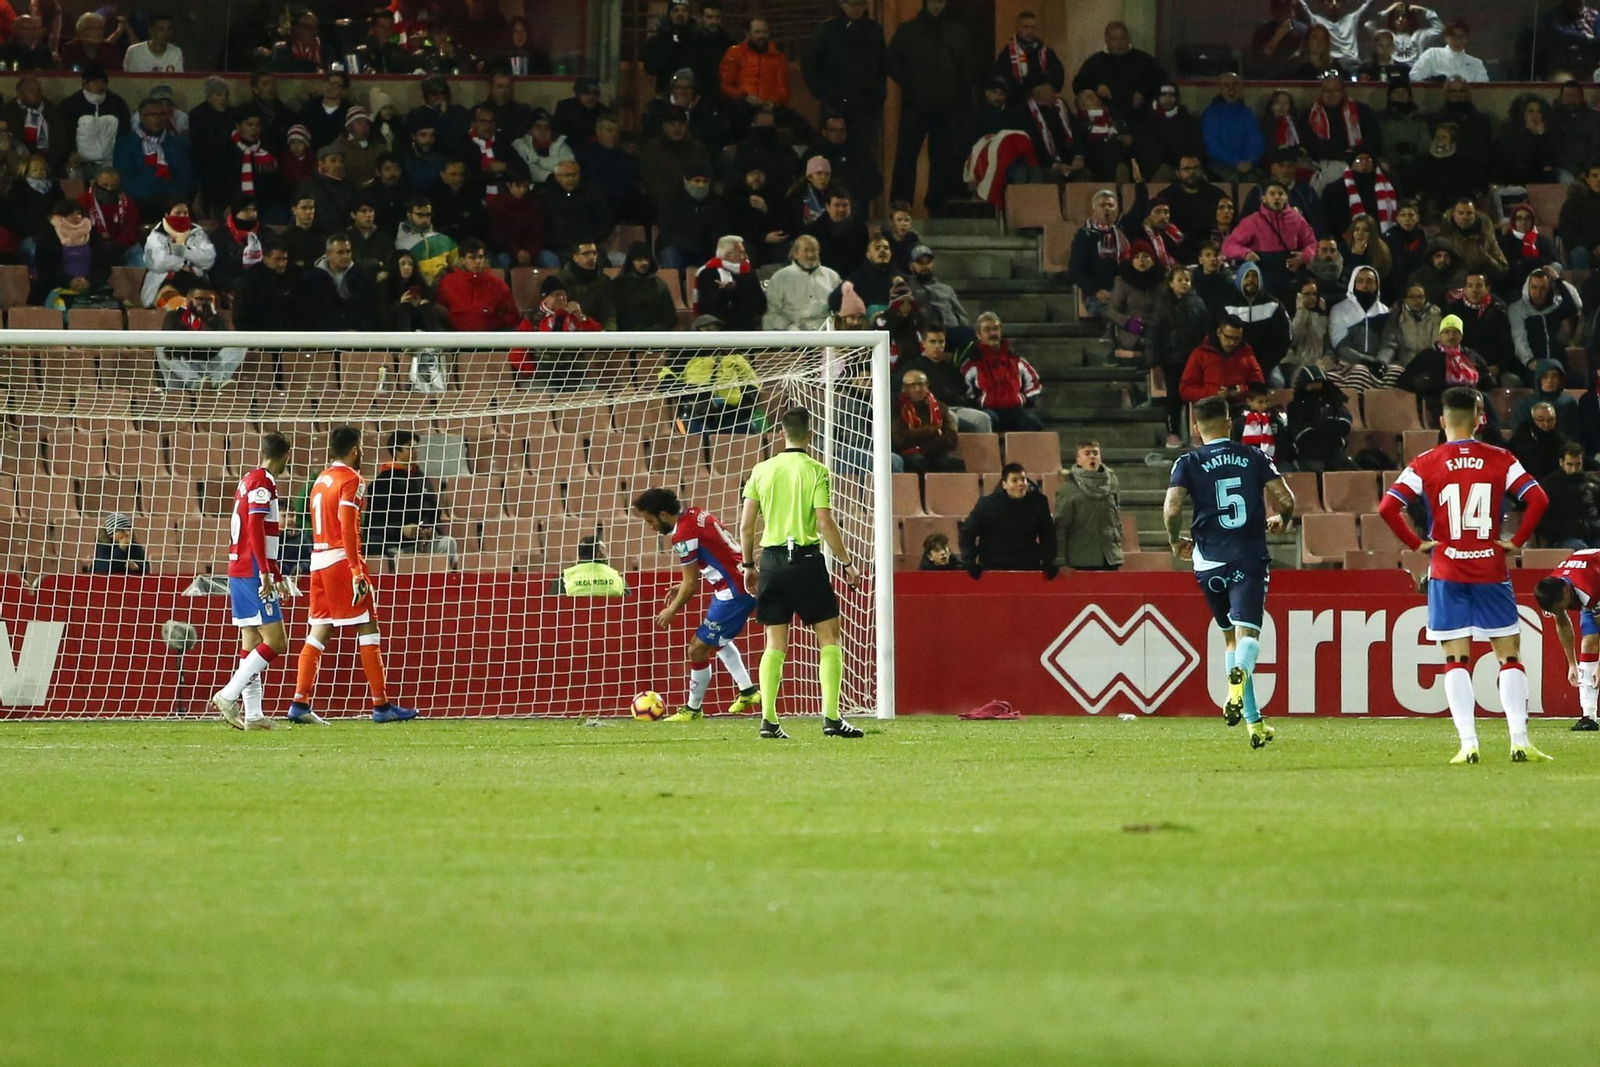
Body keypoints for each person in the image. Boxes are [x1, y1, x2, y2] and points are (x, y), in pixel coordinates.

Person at [1379, 387, 1552, 762]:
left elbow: (1388, 506)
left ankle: (1468, 744)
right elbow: (1538, 498)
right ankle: (1519, 740)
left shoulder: (1425, 462)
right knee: (1508, 656)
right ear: (1478, 419)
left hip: (1447, 568)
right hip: (1490, 567)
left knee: (1456, 659)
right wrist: (1517, 541)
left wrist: (1417, 543)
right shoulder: (1501, 458)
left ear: (1442, 422)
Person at [1166, 394, 1295, 747]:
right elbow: (1286, 500)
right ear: (1229, 422)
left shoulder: (1187, 461)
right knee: (1248, 636)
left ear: (1195, 427)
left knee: (1229, 639)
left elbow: (1172, 506)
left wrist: (1174, 540)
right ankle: (1236, 686)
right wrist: (1282, 521)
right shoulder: (1253, 456)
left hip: (1207, 560)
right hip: (1248, 556)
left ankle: (1254, 725)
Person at [737, 407, 866, 739]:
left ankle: (768, 720)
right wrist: (847, 563)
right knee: (829, 636)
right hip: (806, 560)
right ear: (810, 435)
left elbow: (746, 524)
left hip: (772, 562)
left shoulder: (761, 470)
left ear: (782, 433)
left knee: (774, 642)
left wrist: (749, 565)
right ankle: (832, 718)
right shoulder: (817, 470)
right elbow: (824, 521)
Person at [288, 427, 418, 724]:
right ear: (355, 450)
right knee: (368, 628)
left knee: (320, 631)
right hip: (339, 562)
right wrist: (357, 570)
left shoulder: (321, 479)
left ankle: (300, 702)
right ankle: (381, 706)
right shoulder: (352, 480)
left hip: (318, 560)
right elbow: (347, 526)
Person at [633, 487, 763, 721]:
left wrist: (671, 610)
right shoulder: (696, 514)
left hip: (734, 591)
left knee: (697, 649)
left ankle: (692, 710)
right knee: (719, 641)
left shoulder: (682, 535)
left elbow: (691, 585)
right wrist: (681, 585)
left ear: (663, 514)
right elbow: (716, 553)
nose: (649, 526)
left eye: (649, 520)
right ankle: (748, 691)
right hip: (736, 583)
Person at [208, 433, 297, 731]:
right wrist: (265, 573)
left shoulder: (248, 479)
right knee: (276, 641)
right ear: (285, 455)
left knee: (251, 643)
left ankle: (255, 714)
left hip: (241, 568)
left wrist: (276, 572)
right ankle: (228, 694)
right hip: (252, 570)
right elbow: (255, 526)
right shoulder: (263, 482)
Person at [887, 0, 974, 212]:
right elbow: (891, 61)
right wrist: (910, 83)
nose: (938, 5)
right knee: (907, 153)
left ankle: (937, 202)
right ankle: (900, 200)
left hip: (946, 106)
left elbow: (969, 66)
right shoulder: (908, 31)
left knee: (942, 156)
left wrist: (956, 90)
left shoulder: (957, 32)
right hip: (915, 103)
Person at [803, 0, 888, 159]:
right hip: (834, 101)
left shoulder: (874, 30)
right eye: (853, 5)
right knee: (832, 148)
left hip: (865, 103)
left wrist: (878, 95)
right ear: (842, 5)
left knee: (862, 151)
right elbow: (810, 63)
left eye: (861, 6)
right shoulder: (827, 30)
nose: (857, 10)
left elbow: (882, 66)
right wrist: (821, 91)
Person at [365, 431, 459, 565]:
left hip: (423, 543)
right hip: (395, 546)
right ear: (397, 451)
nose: (415, 451)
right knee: (393, 554)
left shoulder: (423, 479)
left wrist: (431, 530)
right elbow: (373, 525)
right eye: (410, 447)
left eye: (416, 447)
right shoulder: (381, 484)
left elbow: (435, 513)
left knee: (448, 543)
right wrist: (402, 530)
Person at [1535, 548, 1600, 730]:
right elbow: (1562, 624)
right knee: (1588, 643)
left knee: (1593, 639)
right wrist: (1572, 663)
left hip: (1594, 578)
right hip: (1589, 574)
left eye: (1561, 606)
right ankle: (1588, 716)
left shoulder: (1589, 590)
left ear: (1566, 592)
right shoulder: (1552, 591)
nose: (1562, 610)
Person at [960, 461, 1057, 580]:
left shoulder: (1039, 503)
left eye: (1023, 479)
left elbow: (1048, 534)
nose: (1021, 483)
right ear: (1004, 484)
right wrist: (969, 560)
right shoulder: (987, 505)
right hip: (993, 568)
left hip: (1028, 567)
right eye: (1015, 480)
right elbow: (967, 532)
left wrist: (1049, 560)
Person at [960, 313, 1044, 431]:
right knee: (987, 420)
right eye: (987, 330)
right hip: (988, 410)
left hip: (1015, 409)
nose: (993, 333)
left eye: (996, 329)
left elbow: (1034, 384)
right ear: (978, 334)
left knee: (1033, 423)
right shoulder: (971, 364)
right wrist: (980, 401)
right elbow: (965, 392)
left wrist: (1023, 398)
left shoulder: (1016, 359)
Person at [1070, 21, 1165, 123]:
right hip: (1105, 121)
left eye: (1122, 38)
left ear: (1128, 38)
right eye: (1114, 39)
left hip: (1140, 119)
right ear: (1106, 40)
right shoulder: (1095, 62)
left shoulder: (1143, 59)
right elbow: (1078, 84)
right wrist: (1096, 87)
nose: (1119, 43)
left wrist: (1143, 91)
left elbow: (1160, 79)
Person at [1055, 440, 1123, 571]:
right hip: (1081, 558)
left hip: (1110, 557)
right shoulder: (1068, 489)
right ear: (1078, 460)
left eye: (1095, 453)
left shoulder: (1112, 484)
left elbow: (1116, 516)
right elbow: (1060, 527)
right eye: (1087, 453)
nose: (1092, 456)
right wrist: (1060, 560)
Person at [434, 237, 519, 332]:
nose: (478, 261)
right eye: (472, 257)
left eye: (480, 257)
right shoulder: (447, 282)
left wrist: (493, 323)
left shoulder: (496, 284)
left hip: (489, 339)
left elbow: (511, 314)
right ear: (462, 260)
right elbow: (439, 310)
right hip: (456, 339)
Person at [141, 202, 214, 308]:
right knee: (178, 306)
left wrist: (182, 252)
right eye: (178, 213)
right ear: (167, 215)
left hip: (195, 280)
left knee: (209, 306)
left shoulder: (197, 233)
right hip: (165, 282)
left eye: (185, 213)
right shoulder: (156, 235)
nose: (182, 216)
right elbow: (160, 262)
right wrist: (185, 263)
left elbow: (208, 259)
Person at [1510, 269, 1583, 374]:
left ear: (1549, 289)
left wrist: (1558, 280)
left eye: (1543, 288)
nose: (1538, 293)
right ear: (1527, 287)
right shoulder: (1516, 309)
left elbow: (1575, 307)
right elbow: (1519, 339)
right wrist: (1530, 362)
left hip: (1557, 364)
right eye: (1534, 287)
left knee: (1577, 381)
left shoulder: (1555, 306)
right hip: (1532, 366)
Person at [893, 368, 964, 475]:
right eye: (912, 385)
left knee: (954, 463)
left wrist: (925, 444)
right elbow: (901, 439)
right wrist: (932, 431)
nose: (917, 389)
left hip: (935, 451)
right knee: (918, 461)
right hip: (907, 452)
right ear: (904, 388)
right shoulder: (896, 407)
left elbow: (952, 439)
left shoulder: (940, 407)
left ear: (927, 386)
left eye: (921, 384)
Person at [1181, 316, 1266, 406]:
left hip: (1241, 407)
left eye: (1237, 338)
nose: (1232, 343)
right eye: (1228, 337)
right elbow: (1185, 390)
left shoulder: (1246, 352)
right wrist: (1214, 393)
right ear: (1219, 332)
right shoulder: (1200, 354)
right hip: (1209, 409)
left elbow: (1259, 387)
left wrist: (1241, 390)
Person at [1069, 189, 1127, 318]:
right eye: (1102, 205)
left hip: (1124, 293)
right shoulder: (1084, 235)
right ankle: (1133, 328)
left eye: (1111, 206)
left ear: (1117, 210)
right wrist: (1095, 291)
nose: (1107, 209)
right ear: (1094, 210)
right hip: (1098, 295)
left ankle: (1124, 332)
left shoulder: (1124, 234)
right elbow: (1076, 270)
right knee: (1113, 313)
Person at [763, 234, 839, 331]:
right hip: (792, 335)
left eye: (813, 250)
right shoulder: (780, 278)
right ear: (795, 254)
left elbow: (839, 309)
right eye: (806, 250)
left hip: (826, 333)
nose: (810, 255)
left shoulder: (832, 277)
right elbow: (772, 313)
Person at [693, 234, 764, 330]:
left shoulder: (748, 273)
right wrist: (725, 292)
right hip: (718, 325)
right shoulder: (708, 274)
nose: (745, 256)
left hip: (746, 324)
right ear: (728, 255)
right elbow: (707, 308)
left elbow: (760, 305)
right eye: (741, 252)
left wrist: (738, 289)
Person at [994, 10, 1064, 103]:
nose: (1030, 31)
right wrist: (1029, 88)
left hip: (1044, 101)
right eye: (1025, 27)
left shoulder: (1047, 52)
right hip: (1018, 103)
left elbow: (1058, 75)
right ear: (1017, 28)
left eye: (1033, 27)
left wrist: (1047, 87)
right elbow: (1003, 80)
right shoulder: (1007, 55)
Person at [613, 240, 677, 332]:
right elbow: (614, 316)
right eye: (639, 260)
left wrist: (654, 330)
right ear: (631, 262)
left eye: (646, 259)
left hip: (654, 338)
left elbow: (670, 318)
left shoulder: (660, 286)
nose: (644, 263)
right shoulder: (618, 285)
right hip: (626, 337)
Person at [1295, 0, 1376, 62]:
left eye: (1338, 1)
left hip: (1351, 63)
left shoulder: (1351, 19)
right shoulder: (1316, 20)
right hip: (1328, 63)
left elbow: (1368, 4)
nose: (1334, 4)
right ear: (1324, 3)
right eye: (1329, 1)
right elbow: (1301, 6)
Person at [1409, 20, 1489, 81]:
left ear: (1467, 39)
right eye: (1454, 37)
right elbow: (1414, 75)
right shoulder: (1432, 54)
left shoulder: (1476, 64)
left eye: (1461, 37)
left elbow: (1483, 86)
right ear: (1446, 38)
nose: (1457, 40)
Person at [1559, 164, 1600, 270]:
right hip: (1583, 251)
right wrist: (1593, 248)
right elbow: (1568, 233)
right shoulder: (1574, 202)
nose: (1599, 180)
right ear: (1587, 179)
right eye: (1595, 176)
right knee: (1580, 252)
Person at [92, 511, 146, 576]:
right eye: (122, 530)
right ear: (111, 534)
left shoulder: (135, 546)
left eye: (128, 529)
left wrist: (137, 566)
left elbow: (146, 567)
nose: (127, 533)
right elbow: (103, 570)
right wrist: (121, 549)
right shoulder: (103, 547)